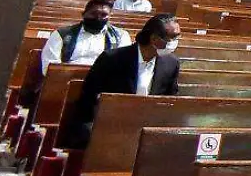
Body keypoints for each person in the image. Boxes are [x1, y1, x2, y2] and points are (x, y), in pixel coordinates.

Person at [62, 14, 181, 149]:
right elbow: (88, 101)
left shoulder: (171, 63)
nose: (175, 42)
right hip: (109, 124)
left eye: (177, 37)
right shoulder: (112, 59)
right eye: (172, 38)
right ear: (153, 38)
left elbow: (170, 101)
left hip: (145, 127)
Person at [24, 0, 125, 107]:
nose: (98, 18)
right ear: (84, 14)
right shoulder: (62, 34)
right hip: (64, 85)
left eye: (103, 15)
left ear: (109, 17)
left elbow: (122, 67)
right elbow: (49, 67)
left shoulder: (120, 37)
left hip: (100, 87)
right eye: (94, 14)